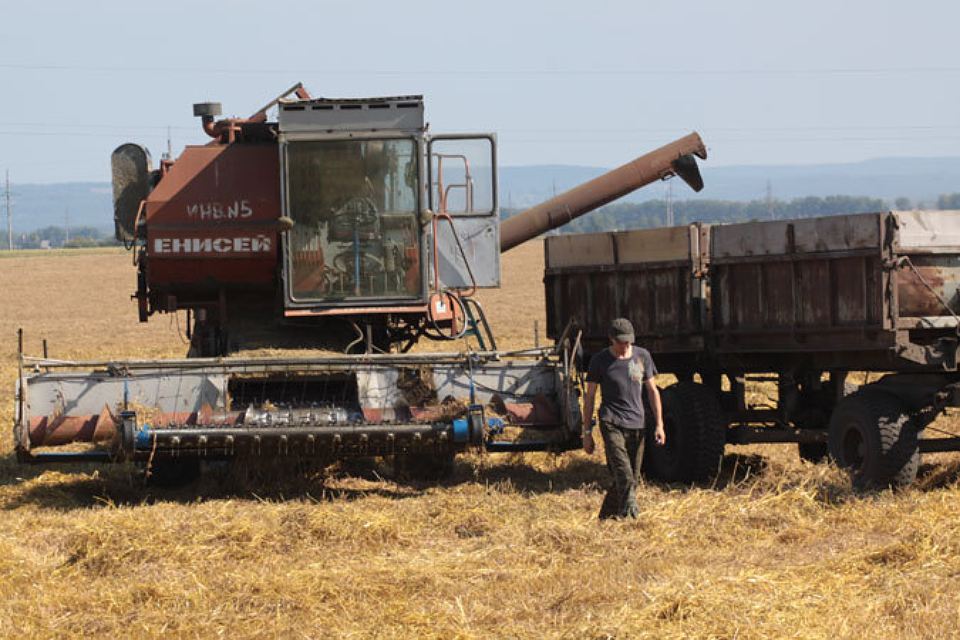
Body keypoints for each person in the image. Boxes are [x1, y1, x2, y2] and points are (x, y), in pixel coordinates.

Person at [582, 317, 665, 519]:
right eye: (621, 342)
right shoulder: (599, 361)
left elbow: (653, 391)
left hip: (638, 423)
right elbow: (590, 396)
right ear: (611, 339)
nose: (625, 346)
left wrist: (659, 425)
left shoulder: (642, 356)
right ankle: (630, 516)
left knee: (632, 479)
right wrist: (586, 432)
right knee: (624, 473)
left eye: (628, 341)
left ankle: (606, 517)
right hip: (612, 422)